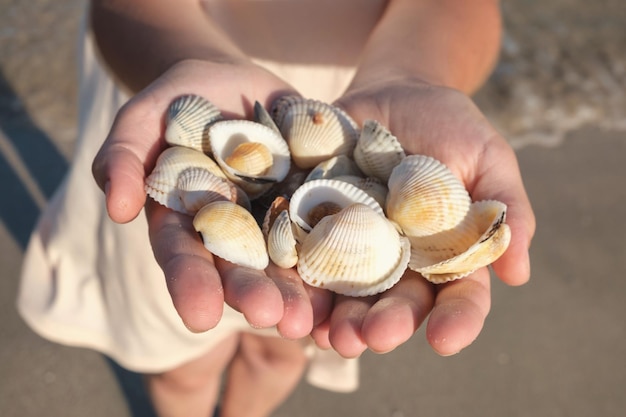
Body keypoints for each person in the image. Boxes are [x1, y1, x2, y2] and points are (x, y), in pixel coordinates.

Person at [18, 0, 536, 416]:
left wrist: (415, 77)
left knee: (280, 349)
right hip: (191, 86)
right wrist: (181, 57)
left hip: (352, 113)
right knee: (179, 368)